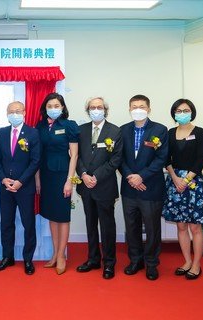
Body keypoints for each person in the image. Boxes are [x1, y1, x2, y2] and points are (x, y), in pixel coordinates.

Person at [119, 94, 168, 281]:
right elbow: (119, 158)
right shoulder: (122, 130)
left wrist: (142, 176)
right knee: (132, 227)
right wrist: (131, 177)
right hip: (129, 187)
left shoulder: (160, 130)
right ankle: (135, 260)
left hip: (151, 188)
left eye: (141, 106)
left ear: (149, 109)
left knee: (152, 228)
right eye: (134, 106)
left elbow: (161, 158)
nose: (137, 109)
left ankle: (152, 264)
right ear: (129, 109)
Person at [75, 97, 122, 279]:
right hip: (86, 186)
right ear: (88, 111)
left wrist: (96, 176)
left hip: (105, 186)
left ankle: (109, 263)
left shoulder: (115, 131)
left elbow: (116, 159)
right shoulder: (81, 130)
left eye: (99, 107)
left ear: (105, 110)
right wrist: (84, 174)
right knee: (90, 224)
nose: (96, 110)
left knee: (107, 226)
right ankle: (93, 259)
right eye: (92, 107)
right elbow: (76, 156)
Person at [0, 101, 41, 275]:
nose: (14, 114)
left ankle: (28, 259)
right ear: (7, 113)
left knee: (28, 224)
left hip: (25, 187)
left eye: (18, 111)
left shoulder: (33, 133)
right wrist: (3, 179)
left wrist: (20, 181)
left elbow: (35, 161)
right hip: (5, 187)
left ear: (25, 112)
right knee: (6, 223)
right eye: (11, 111)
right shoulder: (2, 133)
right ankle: (7, 257)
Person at [162, 99, 203, 280]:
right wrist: (175, 178)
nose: (182, 113)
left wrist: (186, 180)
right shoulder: (170, 132)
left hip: (194, 182)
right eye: (179, 110)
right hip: (174, 182)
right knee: (181, 226)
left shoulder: (200, 132)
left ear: (192, 112)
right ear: (174, 113)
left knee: (195, 227)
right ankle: (187, 261)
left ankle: (196, 264)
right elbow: (166, 158)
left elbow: (200, 160)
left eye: (186, 110)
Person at [35, 92, 79, 275]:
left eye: (56, 105)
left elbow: (74, 155)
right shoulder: (40, 126)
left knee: (63, 215)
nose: (53, 109)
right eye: (49, 106)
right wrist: (37, 179)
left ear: (62, 107)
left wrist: (69, 181)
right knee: (52, 215)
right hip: (45, 175)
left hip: (63, 176)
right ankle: (54, 253)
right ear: (45, 109)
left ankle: (62, 255)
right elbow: (37, 154)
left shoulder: (69, 125)